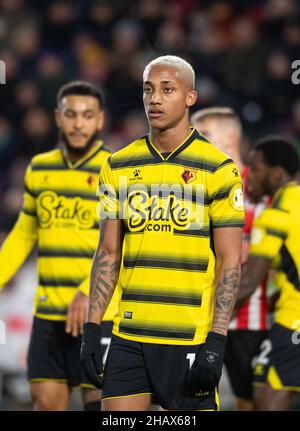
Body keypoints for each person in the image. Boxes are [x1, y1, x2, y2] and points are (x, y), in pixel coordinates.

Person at [80, 55, 244, 411]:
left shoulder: (218, 169)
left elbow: (231, 261)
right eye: (148, 90)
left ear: (190, 98)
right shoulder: (118, 165)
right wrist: (92, 329)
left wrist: (217, 340)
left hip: (189, 338)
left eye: (167, 89)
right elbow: (108, 253)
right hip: (129, 337)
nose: (154, 99)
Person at [0, 81, 118, 411]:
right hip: (49, 313)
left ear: (100, 120)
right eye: (70, 114)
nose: (78, 123)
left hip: (98, 313)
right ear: (57, 117)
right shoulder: (40, 168)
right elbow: (24, 234)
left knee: (102, 406)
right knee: (46, 404)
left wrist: (87, 290)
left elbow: (123, 244)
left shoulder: (119, 170)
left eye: (87, 115)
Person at [191, 107, 268, 411]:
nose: (196, 141)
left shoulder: (263, 191)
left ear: (231, 138)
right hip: (199, 316)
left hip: (251, 317)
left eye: (204, 134)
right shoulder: (194, 189)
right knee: (186, 399)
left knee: (250, 401)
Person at [235, 136, 300, 411]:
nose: (250, 175)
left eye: (256, 168)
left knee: (265, 396)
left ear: (276, 173)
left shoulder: (275, 215)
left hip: (294, 320)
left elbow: (248, 283)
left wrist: (200, 315)